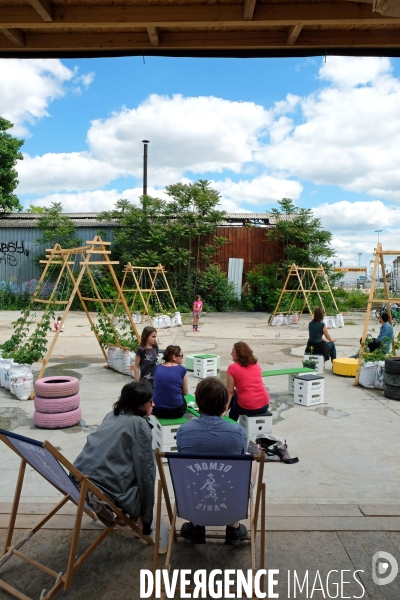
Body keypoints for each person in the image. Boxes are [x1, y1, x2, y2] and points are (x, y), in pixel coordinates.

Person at [71, 380, 155, 534]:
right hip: (102, 489)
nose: (153, 404)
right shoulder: (139, 424)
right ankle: (131, 516)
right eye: (150, 401)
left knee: (126, 462)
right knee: (143, 470)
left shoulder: (111, 415)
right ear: (140, 404)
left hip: (77, 478)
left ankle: (122, 515)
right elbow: (147, 472)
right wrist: (147, 519)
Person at [176, 377, 249, 546]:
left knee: (192, 472)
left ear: (198, 404)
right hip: (229, 492)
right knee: (248, 462)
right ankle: (234, 527)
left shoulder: (184, 432)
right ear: (225, 405)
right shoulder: (238, 433)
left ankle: (196, 526)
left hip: (193, 494)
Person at [226, 341, 270, 422]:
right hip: (264, 404)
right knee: (237, 396)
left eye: (233, 352)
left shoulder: (232, 368)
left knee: (234, 398)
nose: (231, 354)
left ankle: (230, 423)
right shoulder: (256, 365)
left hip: (248, 407)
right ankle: (231, 425)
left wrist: (224, 409)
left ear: (239, 354)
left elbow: (230, 392)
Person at [152, 345, 188, 418]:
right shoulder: (182, 369)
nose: (182, 358)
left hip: (157, 410)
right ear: (174, 357)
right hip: (177, 411)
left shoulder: (157, 368)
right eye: (181, 356)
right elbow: (185, 392)